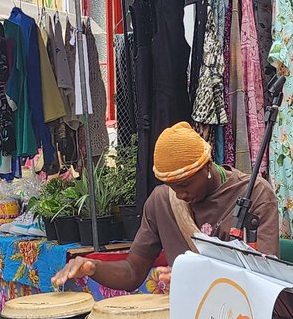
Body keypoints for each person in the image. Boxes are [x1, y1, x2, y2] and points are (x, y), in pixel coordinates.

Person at [52, 121, 279, 292]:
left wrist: (198, 277)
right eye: (171, 186)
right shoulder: (162, 201)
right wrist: (93, 267)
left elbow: (263, 280)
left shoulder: (255, 194)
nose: (180, 194)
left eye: (185, 184)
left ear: (207, 165)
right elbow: (132, 273)